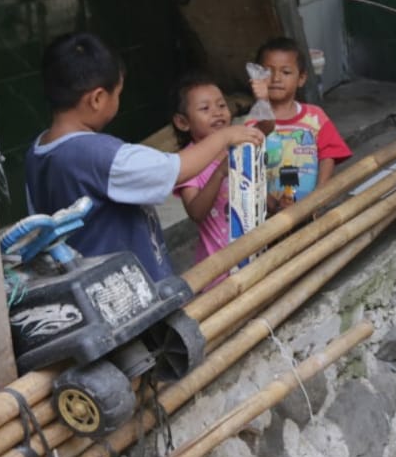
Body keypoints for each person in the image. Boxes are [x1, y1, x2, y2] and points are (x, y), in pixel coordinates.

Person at [25, 32, 263, 281]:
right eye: (117, 94)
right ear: (97, 99)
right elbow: (176, 170)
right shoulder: (101, 155)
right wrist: (226, 137)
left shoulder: (37, 151)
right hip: (123, 291)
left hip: (81, 286)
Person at [249, 37, 351, 210]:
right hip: (268, 216)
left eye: (286, 72)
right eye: (267, 72)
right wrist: (271, 204)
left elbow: (329, 155)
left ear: (301, 78)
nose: (276, 78)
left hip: (311, 209)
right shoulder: (253, 122)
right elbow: (248, 170)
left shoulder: (315, 117)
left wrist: (319, 194)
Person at [171, 73, 236, 265]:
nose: (217, 112)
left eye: (221, 105)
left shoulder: (236, 148)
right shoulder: (188, 162)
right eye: (205, 108)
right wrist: (220, 173)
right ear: (183, 122)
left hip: (255, 251)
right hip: (220, 265)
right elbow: (196, 213)